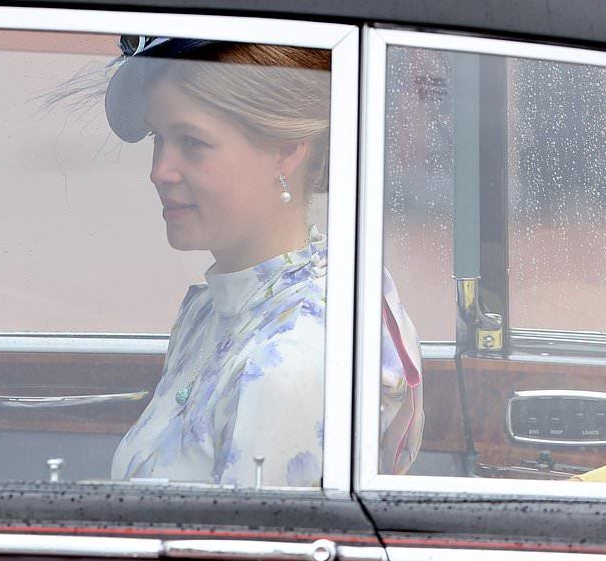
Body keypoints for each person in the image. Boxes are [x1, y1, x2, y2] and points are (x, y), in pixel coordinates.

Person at [103, 37, 423, 486]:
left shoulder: (285, 363)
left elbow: (236, 554)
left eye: (192, 142)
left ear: (287, 149)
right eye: (159, 138)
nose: (160, 171)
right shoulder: (214, 309)